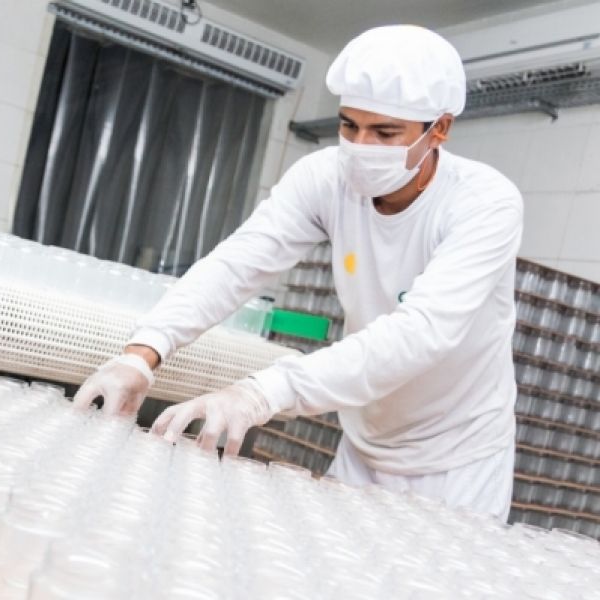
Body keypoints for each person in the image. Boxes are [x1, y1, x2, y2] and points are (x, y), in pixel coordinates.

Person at [74, 25, 523, 520]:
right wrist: (142, 353)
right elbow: (237, 264)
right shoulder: (325, 177)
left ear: (438, 129)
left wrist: (262, 392)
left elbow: (421, 333)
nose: (361, 146)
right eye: (349, 126)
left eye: (385, 133)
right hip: (365, 444)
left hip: (459, 462)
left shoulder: (483, 203)